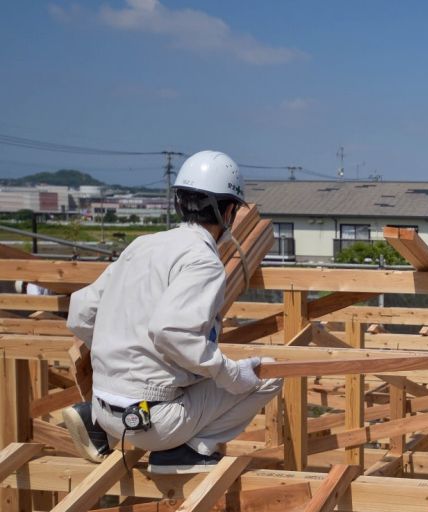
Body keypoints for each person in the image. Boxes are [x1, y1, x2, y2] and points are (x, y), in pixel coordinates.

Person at [62, 150, 282, 474]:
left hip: (103, 404)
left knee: (185, 371)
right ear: (230, 211)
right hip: (154, 423)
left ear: (180, 202)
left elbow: (81, 312)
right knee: (269, 374)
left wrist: (120, 361)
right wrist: (232, 374)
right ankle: (188, 451)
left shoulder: (142, 245)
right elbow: (171, 332)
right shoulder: (204, 261)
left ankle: (96, 422)